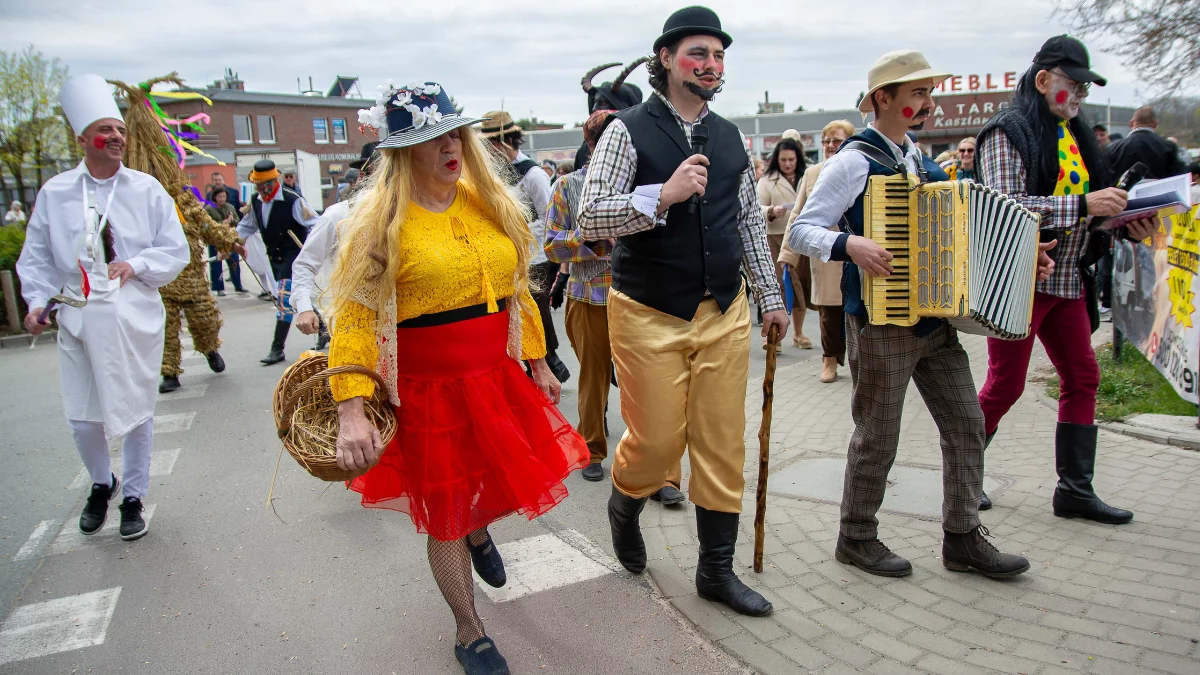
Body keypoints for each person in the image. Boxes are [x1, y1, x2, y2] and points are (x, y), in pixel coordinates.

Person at [331, 80, 588, 675]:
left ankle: (478, 532)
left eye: (454, 133)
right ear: (401, 152)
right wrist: (350, 405)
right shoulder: (378, 224)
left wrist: (538, 361)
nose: (449, 146)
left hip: (493, 380)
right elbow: (356, 317)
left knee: (490, 485)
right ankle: (469, 632)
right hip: (427, 392)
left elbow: (515, 292)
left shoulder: (490, 202)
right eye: (430, 138)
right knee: (445, 513)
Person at [788, 50, 1035, 579]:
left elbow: (959, 230)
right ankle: (855, 536)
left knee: (967, 423)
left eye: (928, 92)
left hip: (933, 320)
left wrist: (1016, 252)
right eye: (918, 93)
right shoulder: (854, 160)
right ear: (884, 99)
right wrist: (851, 243)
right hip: (880, 322)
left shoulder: (918, 158)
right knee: (878, 434)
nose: (928, 102)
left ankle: (962, 537)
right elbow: (800, 230)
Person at [579, 5, 788, 617]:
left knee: (722, 442)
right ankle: (624, 502)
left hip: (723, 310)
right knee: (657, 443)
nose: (711, 64)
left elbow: (747, 220)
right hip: (648, 310)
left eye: (719, 55)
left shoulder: (729, 137)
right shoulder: (626, 131)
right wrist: (661, 196)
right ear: (666, 59)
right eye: (699, 53)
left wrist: (771, 297)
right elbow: (590, 218)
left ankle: (715, 572)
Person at [976, 35, 1159, 523]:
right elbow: (1002, 205)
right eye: (1073, 86)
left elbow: (1093, 211)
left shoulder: (1073, 134)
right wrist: (1085, 205)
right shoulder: (1006, 131)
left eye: (1084, 89)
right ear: (1042, 81)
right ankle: (964, 474)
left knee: (1083, 377)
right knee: (1005, 385)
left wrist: (1126, 223)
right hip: (1018, 283)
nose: (1080, 97)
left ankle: (1075, 490)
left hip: (1067, 283)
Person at [17, 74, 188, 540]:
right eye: (104, 130)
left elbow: (175, 250)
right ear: (81, 139)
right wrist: (37, 304)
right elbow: (36, 258)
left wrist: (133, 264)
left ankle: (132, 496)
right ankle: (101, 482)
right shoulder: (55, 193)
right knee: (82, 416)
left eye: (120, 130)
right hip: (76, 312)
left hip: (131, 314)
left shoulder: (146, 189)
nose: (115, 137)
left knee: (135, 410)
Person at [544, 109, 686, 504]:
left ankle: (663, 475)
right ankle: (591, 450)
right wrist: (592, 241)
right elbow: (552, 245)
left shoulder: (652, 183)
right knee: (592, 378)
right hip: (590, 296)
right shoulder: (568, 187)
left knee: (655, 386)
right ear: (595, 144)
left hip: (645, 296)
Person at [480, 110, 569, 382]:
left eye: (492, 143)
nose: (489, 150)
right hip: (505, 256)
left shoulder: (533, 174)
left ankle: (550, 362)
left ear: (505, 141)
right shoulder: (493, 172)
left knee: (536, 310)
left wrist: (515, 233)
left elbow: (547, 217)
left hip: (534, 255)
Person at [780, 119, 855, 383]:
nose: (830, 146)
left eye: (837, 140)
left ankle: (860, 363)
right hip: (825, 255)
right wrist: (788, 255)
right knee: (828, 314)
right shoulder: (812, 174)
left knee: (857, 312)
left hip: (857, 254)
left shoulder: (862, 169)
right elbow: (797, 216)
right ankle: (829, 360)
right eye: (826, 141)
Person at [294, 142, 380, 349]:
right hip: (351, 325)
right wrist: (304, 307)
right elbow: (305, 264)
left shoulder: (409, 214)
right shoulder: (338, 215)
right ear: (364, 177)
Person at [235, 159, 318, 365]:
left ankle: (277, 348)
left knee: (283, 301)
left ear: (275, 180)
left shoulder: (293, 200)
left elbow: (316, 224)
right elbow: (246, 227)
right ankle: (324, 329)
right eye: (258, 185)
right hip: (275, 260)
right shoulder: (255, 201)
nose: (262, 188)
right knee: (295, 299)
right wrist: (231, 241)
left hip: (294, 258)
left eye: (265, 184)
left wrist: (312, 249)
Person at [757, 131, 810, 349]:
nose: (787, 164)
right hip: (775, 239)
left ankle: (798, 333)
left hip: (802, 238)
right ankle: (775, 339)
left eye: (791, 160)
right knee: (778, 286)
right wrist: (771, 210)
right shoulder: (768, 180)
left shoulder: (807, 177)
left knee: (800, 287)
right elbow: (756, 208)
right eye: (783, 160)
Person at [1106, 106, 1189, 180]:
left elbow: (1105, 178)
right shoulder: (1169, 147)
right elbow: (1180, 176)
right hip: (1160, 195)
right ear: (1155, 124)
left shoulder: (1114, 148)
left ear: (1131, 123)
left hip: (1124, 196)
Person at [207, 172, 245, 295]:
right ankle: (218, 287)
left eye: (224, 197)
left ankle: (238, 285)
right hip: (215, 239)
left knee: (234, 261)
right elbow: (208, 223)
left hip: (230, 238)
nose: (222, 199)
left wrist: (231, 220)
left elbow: (237, 220)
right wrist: (222, 222)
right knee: (217, 263)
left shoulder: (230, 205)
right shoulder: (209, 207)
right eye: (219, 197)